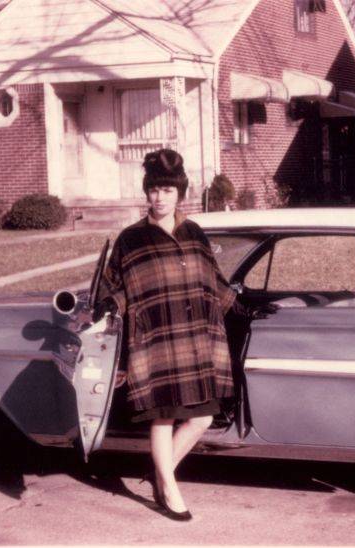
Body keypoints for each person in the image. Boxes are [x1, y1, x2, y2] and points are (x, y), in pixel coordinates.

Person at [96, 149, 241, 521]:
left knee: (202, 418)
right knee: (162, 418)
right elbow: (115, 287)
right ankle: (170, 489)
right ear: (147, 192)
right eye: (154, 189)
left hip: (193, 340)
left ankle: (160, 473)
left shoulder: (194, 232)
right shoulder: (131, 238)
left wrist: (237, 304)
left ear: (180, 193)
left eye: (167, 190)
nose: (160, 197)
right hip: (155, 340)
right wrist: (109, 306)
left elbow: (213, 279)